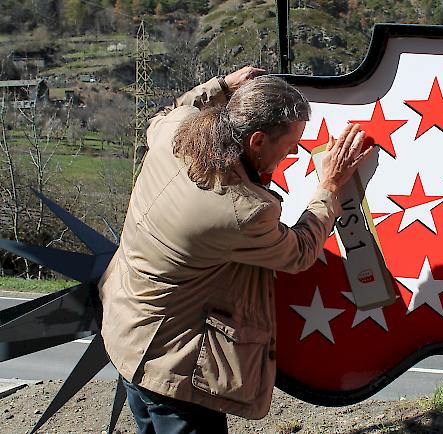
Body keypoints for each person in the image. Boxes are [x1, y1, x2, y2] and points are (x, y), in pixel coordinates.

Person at [98, 66, 372, 434]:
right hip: (173, 368)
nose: (290, 155)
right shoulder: (242, 211)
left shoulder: (173, 135)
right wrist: (330, 186)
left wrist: (223, 86)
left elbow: (173, 110)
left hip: (126, 333)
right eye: (288, 147)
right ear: (257, 141)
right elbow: (300, 251)